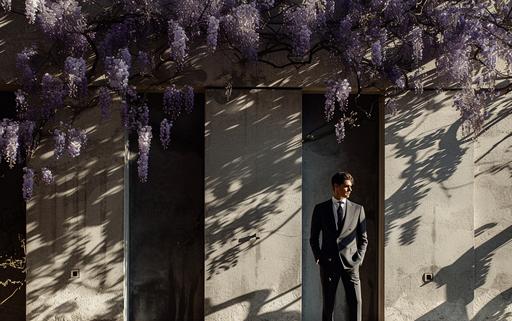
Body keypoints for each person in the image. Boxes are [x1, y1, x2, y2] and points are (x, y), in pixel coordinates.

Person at [309, 172, 368, 321]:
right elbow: (313, 237)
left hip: (351, 263)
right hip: (328, 263)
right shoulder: (320, 209)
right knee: (328, 305)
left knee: (356, 302)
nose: (350, 190)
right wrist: (318, 257)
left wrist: (359, 259)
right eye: (346, 187)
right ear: (336, 186)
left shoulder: (358, 209)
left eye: (351, 187)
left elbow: (363, 239)